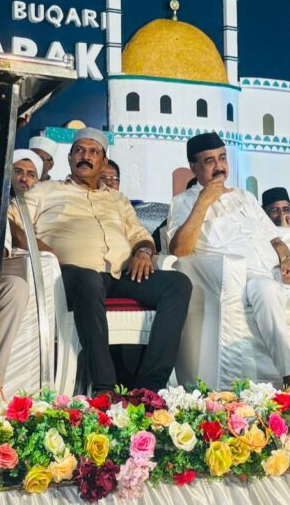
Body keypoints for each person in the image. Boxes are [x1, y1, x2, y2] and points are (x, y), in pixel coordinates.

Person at [167, 132, 290, 387]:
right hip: (246, 281)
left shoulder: (244, 197)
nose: (219, 167)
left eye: (222, 158)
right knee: (266, 289)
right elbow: (179, 250)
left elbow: (276, 240)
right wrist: (203, 203)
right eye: (210, 161)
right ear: (194, 167)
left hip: (278, 273)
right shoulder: (184, 202)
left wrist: (287, 260)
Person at [23, 128, 191, 393]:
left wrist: (143, 252)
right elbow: (14, 222)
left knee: (178, 284)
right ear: (70, 158)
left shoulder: (118, 199)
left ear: (103, 163)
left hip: (119, 275)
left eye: (94, 152)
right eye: (79, 151)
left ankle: (149, 389)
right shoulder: (45, 191)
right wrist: (41, 247)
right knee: (89, 279)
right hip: (69, 275)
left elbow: (141, 236)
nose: (85, 156)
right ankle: (105, 389)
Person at [0, 150, 43, 389]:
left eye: (31, 175)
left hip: (9, 267)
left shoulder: (41, 203)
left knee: (17, 288)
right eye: (17, 171)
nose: (23, 179)